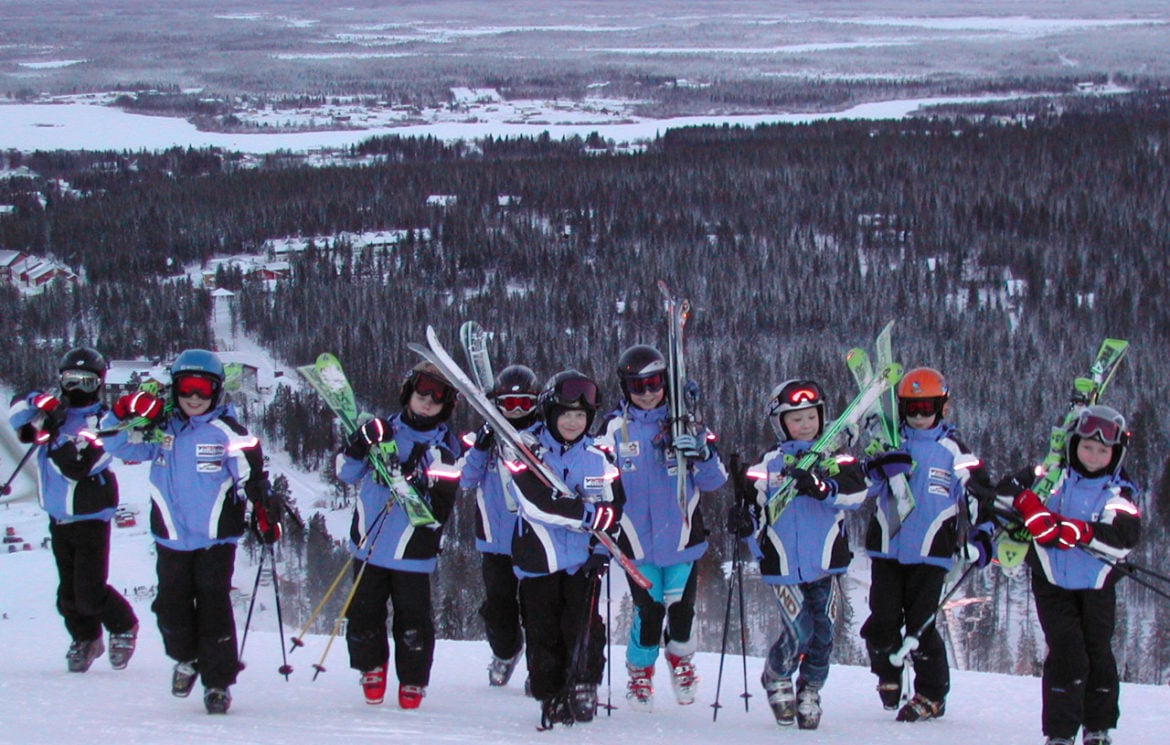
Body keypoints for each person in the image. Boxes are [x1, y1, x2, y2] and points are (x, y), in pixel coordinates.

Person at [102, 348, 281, 714]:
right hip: (171, 535)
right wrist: (124, 411)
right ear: (175, 390)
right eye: (187, 389)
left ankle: (217, 682)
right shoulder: (161, 429)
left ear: (217, 391)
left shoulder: (225, 431)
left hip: (216, 537)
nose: (195, 398)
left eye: (203, 389)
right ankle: (186, 659)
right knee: (170, 608)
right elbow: (114, 443)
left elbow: (251, 469)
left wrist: (263, 508)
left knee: (214, 606)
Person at [595, 344, 727, 710]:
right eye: (638, 386)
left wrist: (700, 453)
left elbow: (715, 481)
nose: (648, 392)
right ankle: (640, 670)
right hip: (636, 544)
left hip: (682, 538)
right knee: (649, 614)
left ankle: (680, 658)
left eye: (654, 383)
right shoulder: (612, 430)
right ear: (626, 388)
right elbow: (596, 480)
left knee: (681, 614)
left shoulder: (689, 423)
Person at [730, 379, 866, 729]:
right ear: (781, 423)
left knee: (824, 632)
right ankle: (777, 675)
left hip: (825, 562)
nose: (805, 425)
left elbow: (856, 494)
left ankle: (811, 689)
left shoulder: (836, 459)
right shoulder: (768, 464)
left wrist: (821, 487)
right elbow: (752, 507)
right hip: (783, 562)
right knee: (798, 630)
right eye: (796, 419)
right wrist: (743, 522)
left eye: (811, 417)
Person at [1000, 404, 1141, 745]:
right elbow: (1003, 493)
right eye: (1086, 447)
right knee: (1066, 652)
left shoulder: (1119, 491)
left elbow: (1124, 536)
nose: (1093, 456)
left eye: (1102, 450)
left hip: (1096, 583)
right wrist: (1030, 508)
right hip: (1052, 580)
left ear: (1115, 453)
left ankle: (1098, 727)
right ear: (1073, 444)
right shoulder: (1051, 474)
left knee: (1097, 651)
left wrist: (1077, 531)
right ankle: (1061, 733)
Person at [860, 366, 992, 722]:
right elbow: (859, 485)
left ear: (942, 408)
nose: (919, 417)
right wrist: (877, 468)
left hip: (932, 551)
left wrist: (982, 533)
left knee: (921, 625)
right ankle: (887, 672)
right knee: (883, 619)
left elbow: (979, 492)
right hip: (887, 547)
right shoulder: (888, 442)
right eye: (912, 409)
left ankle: (931, 694)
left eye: (927, 408)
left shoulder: (953, 450)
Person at [337, 361, 462, 709]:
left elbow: (440, 511)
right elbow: (345, 474)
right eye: (422, 391)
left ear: (446, 405)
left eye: (437, 397)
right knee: (363, 614)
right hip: (369, 545)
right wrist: (359, 445)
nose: (427, 400)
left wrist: (417, 482)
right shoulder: (380, 431)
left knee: (414, 622)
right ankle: (370, 666)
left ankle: (413, 679)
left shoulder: (445, 450)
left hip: (414, 551)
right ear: (409, 392)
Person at [7, 346, 139, 673]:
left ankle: (123, 626)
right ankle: (85, 637)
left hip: (90, 517)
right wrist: (38, 400)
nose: (78, 388)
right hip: (59, 516)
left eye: (87, 381)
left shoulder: (102, 421)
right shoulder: (58, 414)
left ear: (99, 383)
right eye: (71, 380)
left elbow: (79, 466)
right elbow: (17, 418)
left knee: (90, 592)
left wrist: (53, 437)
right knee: (67, 595)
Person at [506, 370, 625, 728]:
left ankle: (584, 682)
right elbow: (536, 504)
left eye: (581, 415)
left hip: (581, 561)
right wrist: (589, 515)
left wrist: (603, 548)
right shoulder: (525, 449)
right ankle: (550, 691)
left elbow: (614, 508)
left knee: (584, 626)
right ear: (550, 414)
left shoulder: (599, 458)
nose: (573, 422)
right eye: (566, 414)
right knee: (543, 632)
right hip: (538, 560)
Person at [458, 364, 541, 688]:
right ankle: (506, 652)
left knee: (538, 610)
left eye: (524, 404)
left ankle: (540, 667)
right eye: (509, 404)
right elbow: (467, 480)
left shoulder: (541, 436)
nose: (517, 411)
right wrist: (481, 445)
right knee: (498, 608)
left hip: (535, 541)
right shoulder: (485, 440)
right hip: (496, 541)